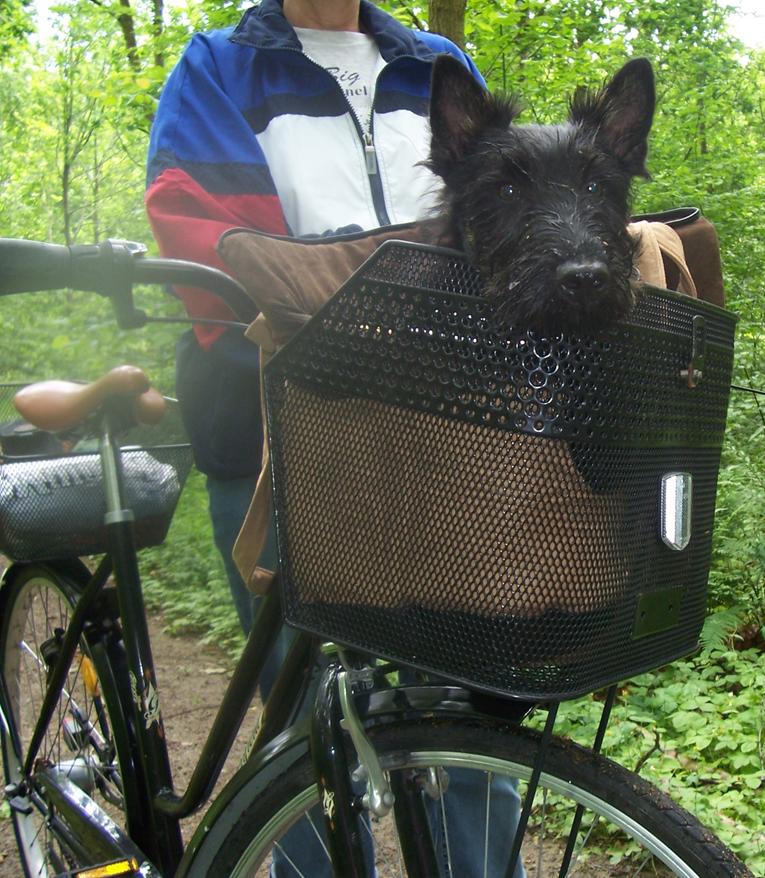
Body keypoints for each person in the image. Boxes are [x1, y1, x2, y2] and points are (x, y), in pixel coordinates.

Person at [145, 1, 524, 874]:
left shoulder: (437, 64)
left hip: (441, 429)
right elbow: (205, 240)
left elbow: (497, 225)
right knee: (297, 718)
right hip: (278, 430)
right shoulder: (220, 66)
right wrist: (375, 301)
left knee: (474, 705)